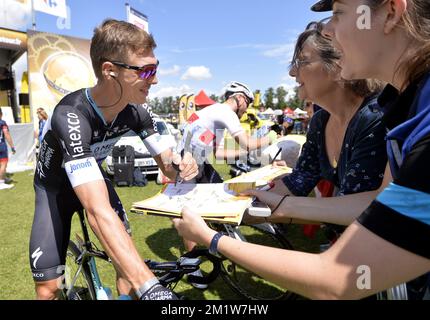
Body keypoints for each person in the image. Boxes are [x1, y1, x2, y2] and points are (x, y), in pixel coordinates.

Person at [174, 0, 430, 300]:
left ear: (391, 12)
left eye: (338, 13)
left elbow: (337, 279)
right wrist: (267, 205)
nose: (329, 30)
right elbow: (376, 200)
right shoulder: (404, 108)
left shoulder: (391, 116)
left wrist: (212, 238)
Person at [29, 19, 198, 300]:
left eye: (155, 68)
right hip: (55, 192)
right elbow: (97, 211)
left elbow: (167, 164)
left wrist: (181, 164)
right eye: (146, 70)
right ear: (110, 71)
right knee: (48, 290)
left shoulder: (137, 112)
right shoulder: (71, 114)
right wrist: (152, 287)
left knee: (127, 270)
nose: (154, 79)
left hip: (93, 180)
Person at [244, 23, 387, 234]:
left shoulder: (373, 117)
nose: (293, 72)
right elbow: (300, 180)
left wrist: (259, 210)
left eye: (302, 61)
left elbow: (350, 208)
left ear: (339, 64)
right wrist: (242, 201)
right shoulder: (319, 122)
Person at [0, 108, 16, 190]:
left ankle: (3, 178)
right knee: (3, 164)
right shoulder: (2, 123)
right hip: (1, 146)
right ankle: (1, 182)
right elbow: (6, 134)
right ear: (1, 114)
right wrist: (12, 146)